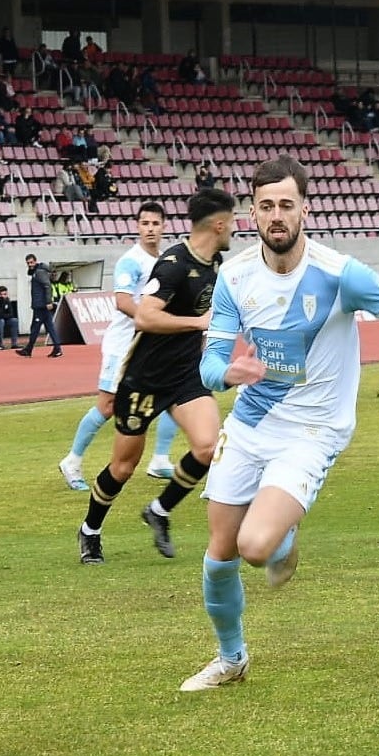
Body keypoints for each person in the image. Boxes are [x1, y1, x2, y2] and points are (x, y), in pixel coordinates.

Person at [178, 156, 379, 691]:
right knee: (218, 556)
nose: (276, 216)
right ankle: (231, 660)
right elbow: (208, 366)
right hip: (252, 426)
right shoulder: (232, 277)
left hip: (313, 430)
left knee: (256, 546)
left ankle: (283, 536)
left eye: (286, 205)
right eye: (266, 206)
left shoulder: (338, 274)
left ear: (305, 208)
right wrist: (229, 372)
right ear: (252, 212)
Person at [76, 187, 237, 566]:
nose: (235, 229)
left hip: (185, 376)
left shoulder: (215, 265)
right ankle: (90, 531)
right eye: (232, 222)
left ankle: (160, 511)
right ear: (218, 224)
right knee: (124, 467)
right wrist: (197, 323)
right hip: (144, 378)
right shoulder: (174, 263)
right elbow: (146, 316)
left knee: (209, 447)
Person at [58, 201, 181, 492]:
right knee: (108, 405)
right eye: (145, 224)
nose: (150, 229)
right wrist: (155, 320)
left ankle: (161, 458)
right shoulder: (131, 261)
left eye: (155, 224)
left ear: (164, 226)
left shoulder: (166, 261)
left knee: (173, 395)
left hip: (150, 346)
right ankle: (72, 461)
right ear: (138, 227)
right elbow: (123, 301)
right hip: (123, 347)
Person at [17, 254, 63, 358]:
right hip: (40, 305)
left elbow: (47, 287)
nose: (30, 265)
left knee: (35, 328)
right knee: (49, 327)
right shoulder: (37, 272)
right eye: (28, 263)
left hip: (41, 305)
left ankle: (29, 349)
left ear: (35, 261)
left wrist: (48, 302)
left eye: (31, 262)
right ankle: (57, 348)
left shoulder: (39, 272)